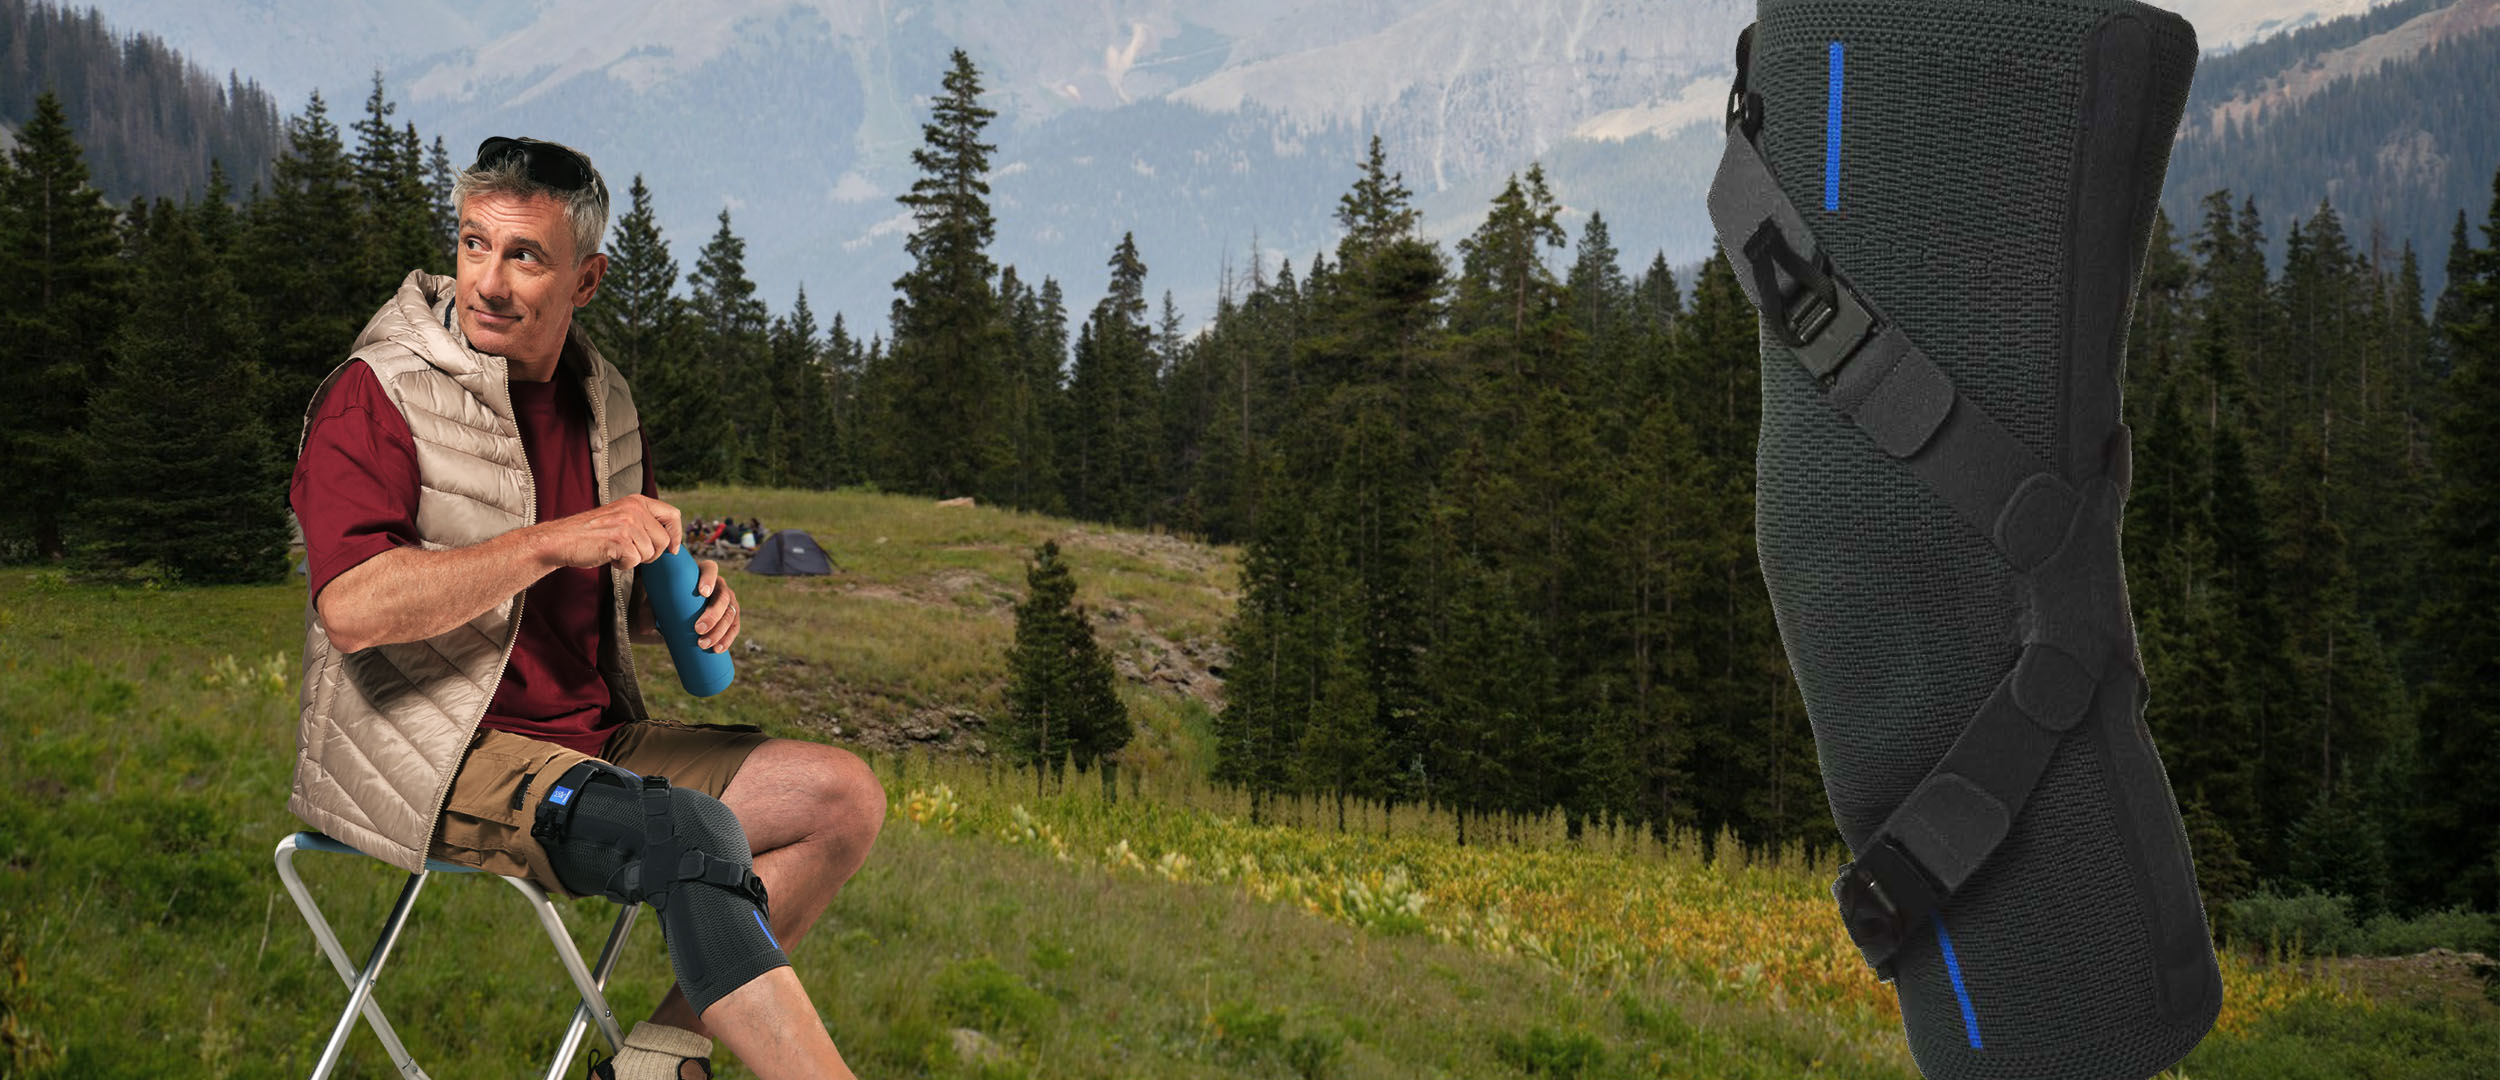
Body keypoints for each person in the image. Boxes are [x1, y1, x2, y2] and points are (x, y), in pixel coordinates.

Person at [287, 136, 874, 1080]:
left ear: (586, 280)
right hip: (439, 753)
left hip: (591, 738)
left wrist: (684, 606)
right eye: (475, 244)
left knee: (840, 798)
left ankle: (658, 1057)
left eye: (525, 256)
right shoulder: (379, 393)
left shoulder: (605, 402)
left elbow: (611, 596)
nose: (489, 281)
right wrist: (559, 537)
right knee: (688, 832)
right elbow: (353, 608)